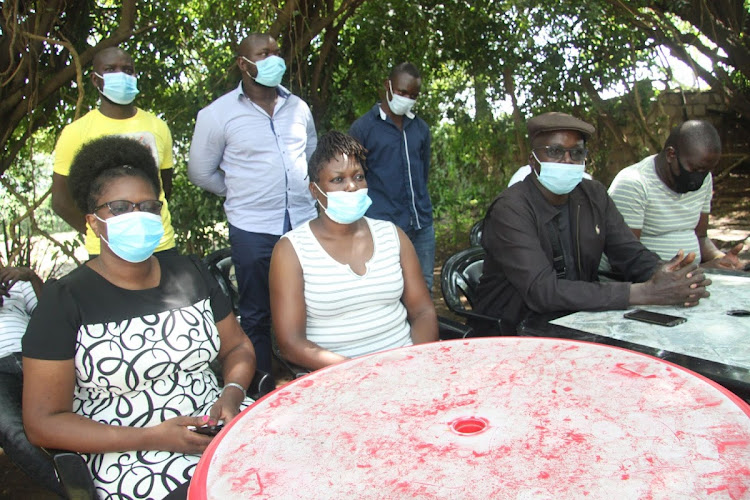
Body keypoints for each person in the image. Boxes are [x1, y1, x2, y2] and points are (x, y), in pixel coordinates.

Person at [23, 136, 257, 499]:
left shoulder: (191, 273)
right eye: (120, 207)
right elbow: (42, 422)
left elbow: (238, 346)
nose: (138, 216)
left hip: (219, 423)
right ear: (93, 221)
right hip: (130, 453)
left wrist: (231, 392)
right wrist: (152, 437)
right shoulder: (65, 302)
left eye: (148, 207)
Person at [474, 112, 711, 334]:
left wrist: (668, 275)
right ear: (533, 160)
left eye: (576, 153)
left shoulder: (593, 195)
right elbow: (543, 291)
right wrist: (643, 292)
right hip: (512, 330)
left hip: (577, 320)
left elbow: (629, 252)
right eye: (555, 151)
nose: (567, 160)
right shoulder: (510, 209)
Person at [188, 33, 317, 373]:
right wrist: (240, 192)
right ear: (243, 64)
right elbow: (200, 172)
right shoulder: (217, 115)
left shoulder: (299, 108)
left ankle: (312, 376)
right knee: (257, 312)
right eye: (263, 54)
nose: (274, 59)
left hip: (304, 223)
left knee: (313, 303)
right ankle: (261, 384)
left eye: (276, 51)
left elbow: (312, 156)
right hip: (253, 228)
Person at [269, 131, 439, 371]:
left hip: (405, 367)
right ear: (315, 191)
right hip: (336, 379)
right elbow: (290, 342)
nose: (351, 186)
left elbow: (422, 310)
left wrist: (414, 361)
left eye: (358, 177)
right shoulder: (291, 251)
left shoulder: (392, 236)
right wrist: (357, 372)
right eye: (338, 180)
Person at [52, 46, 176, 258]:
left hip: (160, 246)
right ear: (95, 79)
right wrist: (101, 233)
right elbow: (61, 201)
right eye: (110, 69)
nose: (121, 75)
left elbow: (163, 188)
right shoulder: (76, 133)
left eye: (127, 70)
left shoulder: (158, 127)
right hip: (106, 251)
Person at [608, 120, 745, 269]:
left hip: (688, 278)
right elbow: (626, 258)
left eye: (706, 171)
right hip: (641, 283)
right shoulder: (634, 183)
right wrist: (701, 270)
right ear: (671, 154)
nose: (700, 178)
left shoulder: (704, 179)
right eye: (694, 170)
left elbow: (701, 237)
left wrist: (721, 260)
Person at [349, 62, 435, 291]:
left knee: (423, 287)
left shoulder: (420, 129)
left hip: (421, 224)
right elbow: (355, 179)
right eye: (402, 92)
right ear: (387, 86)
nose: (407, 98)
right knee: (389, 289)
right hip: (383, 227)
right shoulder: (363, 129)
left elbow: (422, 172)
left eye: (413, 95)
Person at [0, 263, 66, 497]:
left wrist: (31, 278)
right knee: (9, 428)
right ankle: (76, 490)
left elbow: (50, 317)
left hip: (37, 356)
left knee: (71, 412)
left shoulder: (20, 285)